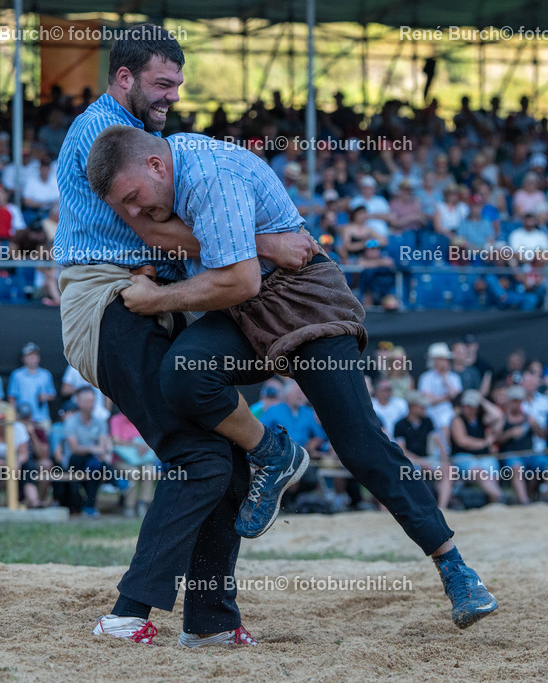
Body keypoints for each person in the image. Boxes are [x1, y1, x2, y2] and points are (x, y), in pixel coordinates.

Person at [85, 121, 498, 629]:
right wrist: (266, 242)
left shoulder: (210, 174)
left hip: (303, 301)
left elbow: (238, 279)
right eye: (120, 206)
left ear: (155, 165)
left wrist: (159, 297)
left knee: (361, 444)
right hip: (245, 311)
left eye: (132, 197)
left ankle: (455, 567)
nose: (131, 213)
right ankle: (274, 454)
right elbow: (155, 232)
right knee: (184, 376)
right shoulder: (160, 177)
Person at [55, 25, 315, 646]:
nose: (172, 95)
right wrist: (269, 244)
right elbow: (158, 234)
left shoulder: (152, 143)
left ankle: (212, 623)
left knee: (219, 458)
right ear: (124, 78)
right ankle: (125, 615)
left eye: (177, 84)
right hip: (109, 304)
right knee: (198, 457)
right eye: (162, 83)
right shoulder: (107, 139)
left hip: (142, 304)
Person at [63, 387, 111, 518]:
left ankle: (89, 507)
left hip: (94, 462)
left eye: (93, 401)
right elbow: (75, 449)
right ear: (79, 403)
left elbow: (103, 445)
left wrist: (100, 453)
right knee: (92, 464)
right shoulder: (71, 422)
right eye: (88, 401)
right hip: (75, 461)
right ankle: (116, 480)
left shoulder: (100, 422)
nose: (92, 404)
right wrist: (93, 449)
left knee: (95, 467)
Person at [7, 343, 56, 429]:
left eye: (34, 355)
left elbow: (53, 395)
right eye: (29, 356)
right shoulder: (17, 375)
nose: (32, 358)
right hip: (23, 419)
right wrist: (15, 415)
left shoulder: (46, 374)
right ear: (24, 358)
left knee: (44, 441)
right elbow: (12, 397)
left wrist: (46, 397)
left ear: (38, 358)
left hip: (42, 418)